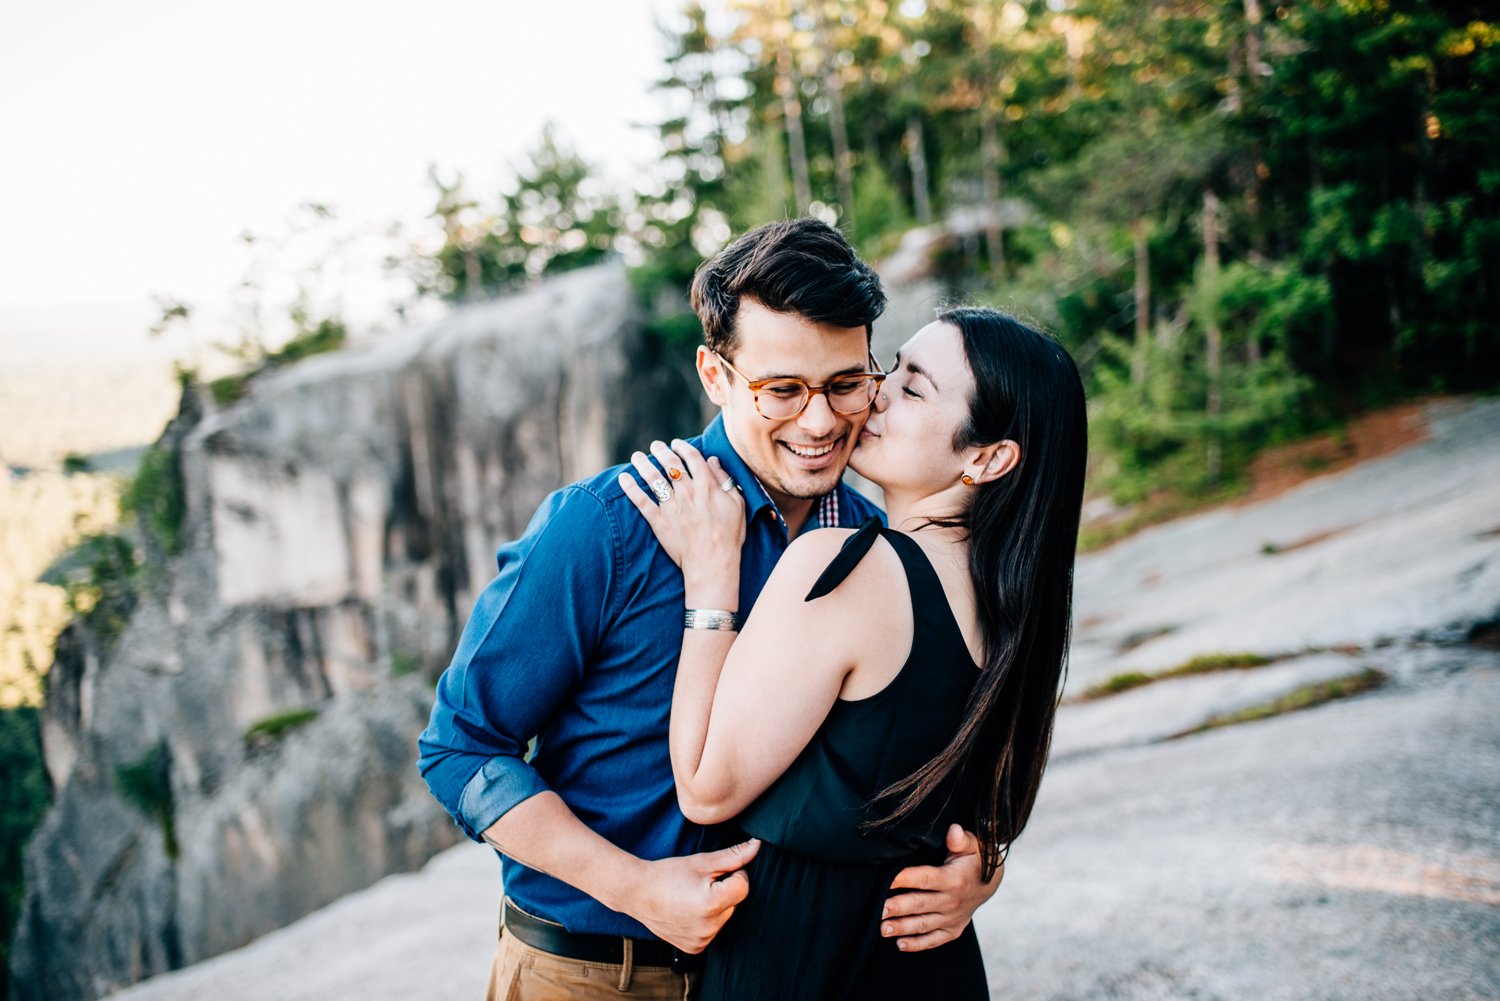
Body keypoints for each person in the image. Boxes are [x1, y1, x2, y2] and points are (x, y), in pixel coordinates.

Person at [417, 219, 1003, 1000]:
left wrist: (981, 859)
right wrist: (633, 885)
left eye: (844, 383)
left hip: (785, 971)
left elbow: (921, 744)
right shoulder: (605, 527)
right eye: (782, 390)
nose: (821, 421)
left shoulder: (870, 546)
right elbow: (460, 747)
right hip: (593, 973)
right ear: (715, 375)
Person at [617, 306, 1087, 999]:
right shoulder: (1017, 612)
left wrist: (712, 578)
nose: (875, 391)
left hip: (807, 964)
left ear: (987, 457)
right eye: (891, 366)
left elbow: (705, 786)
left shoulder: (848, 567)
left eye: (914, 387)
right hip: (930, 965)